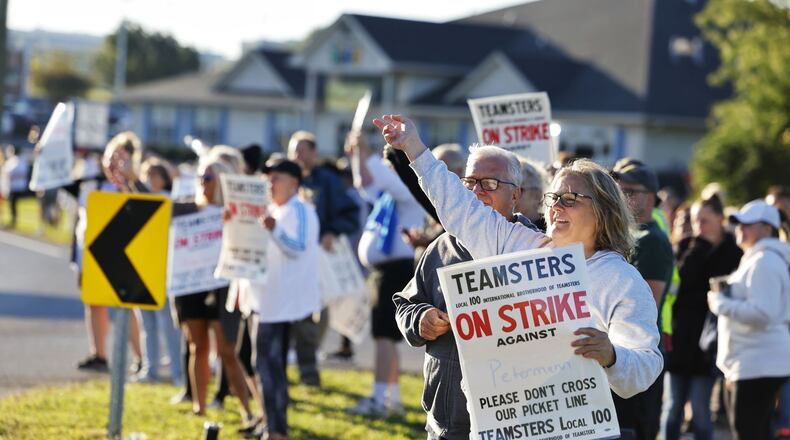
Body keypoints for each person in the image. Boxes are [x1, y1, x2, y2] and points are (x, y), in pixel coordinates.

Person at [373, 114, 662, 399]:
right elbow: (460, 208)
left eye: (570, 200)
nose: (556, 207)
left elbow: (645, 367)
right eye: (553, 198)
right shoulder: (524, 246)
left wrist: (612, 355)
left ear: (602, 211)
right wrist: (413, 148)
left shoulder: (621, 279)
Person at [394, 145, 538, 439]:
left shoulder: (536, 252)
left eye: (491, 183)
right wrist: (420, 319)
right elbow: (405, 304)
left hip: (514, 422)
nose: (477, 190)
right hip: (446, 421)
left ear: (516, 195)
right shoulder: (442, 246)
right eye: (470, 182)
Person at [235, 159, 321, 440]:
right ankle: (270, 421)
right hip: (262, 300)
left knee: (269, 365)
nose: (270, 184)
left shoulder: (302, 210)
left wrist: (275, 230)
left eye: (276, 178)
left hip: (280, 304)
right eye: (268, 178)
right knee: (262, 364)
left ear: (294, 182)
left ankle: (276, 430)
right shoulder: (273, 210)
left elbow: (298, 247)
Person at [345, 130, 425, 417]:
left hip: (395, 270)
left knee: (384, 337)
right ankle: (392, 398)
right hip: (385, 270)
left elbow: (382, 176)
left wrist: (365, 151)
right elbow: (364, 183)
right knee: (386, 338)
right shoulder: (391, 195)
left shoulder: (408, 189)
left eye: (392, 166)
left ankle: (380, 398)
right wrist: (357, 155)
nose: (387, 171)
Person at [172, 154, 255, 423]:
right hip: (192, 285)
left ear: (220, 181)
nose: (201, 183)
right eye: (199, 177)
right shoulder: (186, 210)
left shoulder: (233, 213)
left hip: (221, 287)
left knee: (227, 350)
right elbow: (153, 207)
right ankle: (200, 406)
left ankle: (247, 410)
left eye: (207, 178)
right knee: (198, 346)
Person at [707, 199, 790, 440]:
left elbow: (764, 313)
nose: (740, 228)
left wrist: (720, 303)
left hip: (758, 362)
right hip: (755, 361)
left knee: (748, 432)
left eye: (748, 224)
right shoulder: (760, 258)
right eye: (739, 224)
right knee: (755, 431)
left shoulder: (765, 261)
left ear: (767, 229)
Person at [661, 195, 742, 440]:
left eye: (705, 220)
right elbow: (679, 283)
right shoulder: (687, 247)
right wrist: (698, 249)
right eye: (696, 220)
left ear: (720, 219)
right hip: (681, 337)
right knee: (673, 408)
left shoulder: (734, 252)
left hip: (710, 343)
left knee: (701, 410)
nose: (699, 226)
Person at [287, 130, 360, 378]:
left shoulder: (327, 181)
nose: (296, 155)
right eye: (293, 150)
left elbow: (349, 214)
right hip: (288, 259)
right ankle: (294, 363)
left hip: (318, 260)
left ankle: (308, 369)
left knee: (313, 313)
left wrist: (331, 231)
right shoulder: (285, 180)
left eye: (301, 150)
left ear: (313, 152)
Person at [611, 158, 674, 439]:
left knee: (634, 430)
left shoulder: (652, 241)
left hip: (638, 355)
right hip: (619, 355)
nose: (622, 197)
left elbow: (646, 304)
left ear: (651, 198)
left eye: (630, 191)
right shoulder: (624, 235)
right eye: (618, 189)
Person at [134, 158, 183, 384]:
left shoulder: (166, 200)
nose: (150, 179)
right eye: (147, 175)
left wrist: (132, 179)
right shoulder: (139, 199)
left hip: (163, 271)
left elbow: (151, 201)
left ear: (164, 179)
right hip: (143, 268)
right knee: (148, 325)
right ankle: (150, 369)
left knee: (167, 324)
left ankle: (177, 372)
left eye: (155, 175)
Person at [516, 157, 549, 232]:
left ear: (537, 195)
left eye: (519, 190)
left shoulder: (551, 231)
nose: (512, 196)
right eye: (509, 189)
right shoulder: (503, 229)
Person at [1, 145, 30, 229]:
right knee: (11, 204)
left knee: (12, 204)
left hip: (14, 187)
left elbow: (8, 171)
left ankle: (13, 220)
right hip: (17, 186)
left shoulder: (14, 160)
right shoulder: (22, 160)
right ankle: (12, 220)